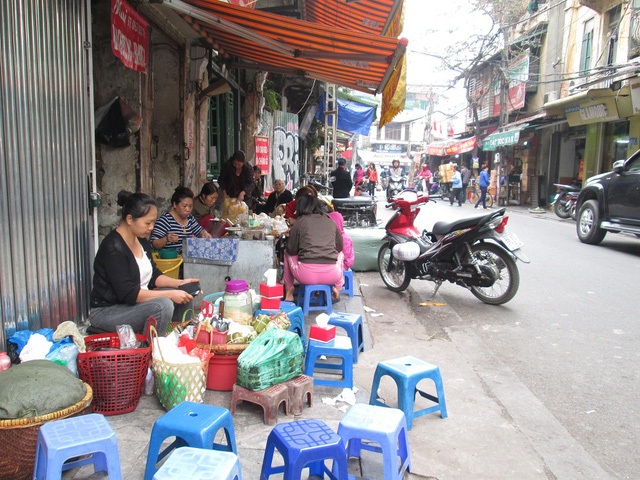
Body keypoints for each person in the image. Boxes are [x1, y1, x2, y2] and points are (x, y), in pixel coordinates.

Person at [89, 192, 200, 335]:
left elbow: (154, 276)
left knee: (184, 296)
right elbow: (129, 293)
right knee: (163, 305)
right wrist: (170, 294)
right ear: (130, 219)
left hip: (133, 305)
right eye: (148, 223)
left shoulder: (141, 240)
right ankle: (153, 349)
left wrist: (180, 284)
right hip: (108, 312)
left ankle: (176, 339)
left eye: (153, 222)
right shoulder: (113, 248)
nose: (152, 227)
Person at [283, 195, 344, 302]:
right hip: (332, 275)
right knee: (341, 254)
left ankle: (289, 291)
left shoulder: (300, 222)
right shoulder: (330, 221)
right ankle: (337, 288)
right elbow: (340, 247)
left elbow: (291, 249)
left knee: (286, 253)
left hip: (306, 275)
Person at [151, 186, 211, 254]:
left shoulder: (190, 218)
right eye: (184, 206)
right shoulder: (165, 220)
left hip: (187, 258)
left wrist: (204, 233)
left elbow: (198, 230)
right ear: (175, 204)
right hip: (171, 260)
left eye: (190, 206)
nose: (188, 209)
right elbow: (154, 243)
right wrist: (166, 239)